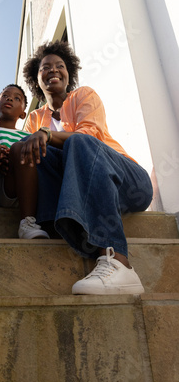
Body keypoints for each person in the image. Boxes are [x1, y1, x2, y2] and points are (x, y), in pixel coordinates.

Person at [9, 40, 153, 295]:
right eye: (45, 68)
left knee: (79, 141)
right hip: (83, 192)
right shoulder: (34, 118)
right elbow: (33, 160)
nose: (53, 70)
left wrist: (47, 134)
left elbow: (91, 134)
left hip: (127, 181)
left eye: (60, 66)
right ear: (36, 79)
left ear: (69, 74)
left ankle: (118, 260)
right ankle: (47, 223)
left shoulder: (83, 95)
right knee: (27, 149)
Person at [0, 84, 49, 239]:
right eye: (5, 96)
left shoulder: (26, 135)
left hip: (12, 188)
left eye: (17, 98)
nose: (10, 98)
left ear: (23, 114)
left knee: (20, 148)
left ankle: (28, 223)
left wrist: (10, 155)